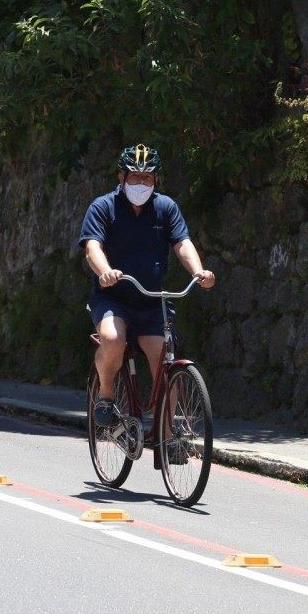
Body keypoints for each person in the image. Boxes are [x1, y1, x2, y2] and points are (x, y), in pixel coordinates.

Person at [77, 144, 215, 431]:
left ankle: (167, 437)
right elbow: (92, 247)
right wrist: (104, 272)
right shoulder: (103, 207)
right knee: (112, 339)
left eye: (148, 178)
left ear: (156, 181)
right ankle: (105, 395)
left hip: (152, 301)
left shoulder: (165, 208)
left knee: (166, 360)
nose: (141, 183)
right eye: (135, 177)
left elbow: (182, 244)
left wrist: (199, 271)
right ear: (121, 177)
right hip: (113, 298)